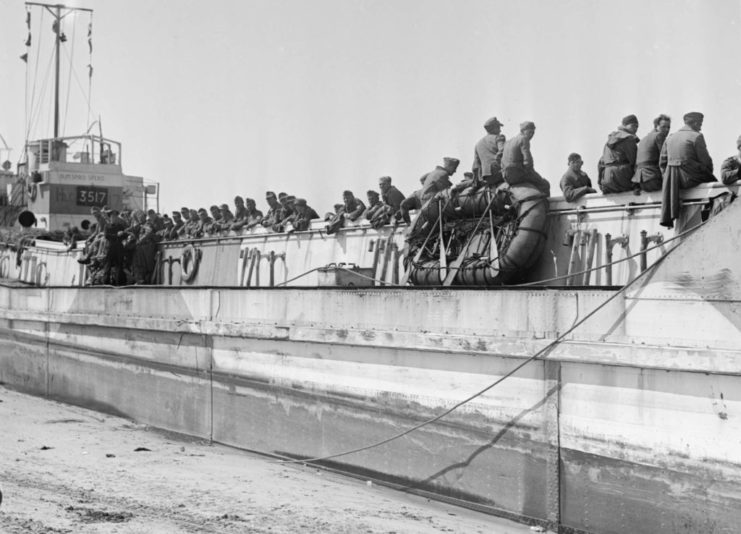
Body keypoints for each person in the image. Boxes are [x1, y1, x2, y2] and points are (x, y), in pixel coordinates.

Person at [659, 111, 716, 228]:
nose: (700, 126)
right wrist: (709, 173)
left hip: (672, 181)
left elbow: (662, 162)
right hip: (689, 178)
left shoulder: (670, 137)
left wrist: (668, 178)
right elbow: (706, 161)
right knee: (714, 183)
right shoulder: (697, 136)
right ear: (695, 123)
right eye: (700, 124)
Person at [501, 122, 551, 196]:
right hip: (518, 173)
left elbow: (500, 158)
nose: (531, 135)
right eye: (530, 132)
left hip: (506, 176)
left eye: (533, 133)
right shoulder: (524, 139)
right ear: (523, 131)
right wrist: (531, 172)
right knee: (545, 184)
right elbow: (527, 161)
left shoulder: (508, 141)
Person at [598, 115, 640, 194]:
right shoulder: (629, 139)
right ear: (624, 125)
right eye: (633, 125)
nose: (636, 128)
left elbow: (601, 163)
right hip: (621, 178)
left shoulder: (609, 140)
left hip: (607, 181)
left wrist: (601, 183)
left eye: (637, 126)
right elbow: (634, 162)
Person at [632, 114, 671, 193]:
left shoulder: (644, 139)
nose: (667, 130)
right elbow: (666, 158)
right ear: (656, 126)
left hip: (640, 181)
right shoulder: (659, 136)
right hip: (652, 179)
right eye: (663, 127)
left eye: (668, 127)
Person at [472, 116, 506, 187]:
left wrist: (476, 182)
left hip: (486, 176)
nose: (500, 130)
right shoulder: (499, 137)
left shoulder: (478, 144)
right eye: (498, 128)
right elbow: (502, 152)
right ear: (494, 128)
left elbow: (475, 166)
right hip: (499, 172)